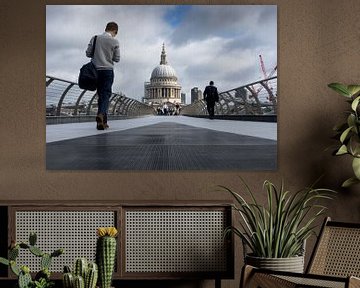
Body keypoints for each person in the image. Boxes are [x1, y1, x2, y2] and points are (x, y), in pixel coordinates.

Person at [86, 22, 120, 130]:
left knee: (101, 94)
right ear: (115, 31)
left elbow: (88, 53)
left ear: (105, 28)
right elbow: (117, 58)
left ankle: (102, 122)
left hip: (95, 70)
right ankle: (101, 114)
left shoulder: (95, 38)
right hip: (107, 70)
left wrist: (97, 54)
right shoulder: (115, 41)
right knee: (105, 94)